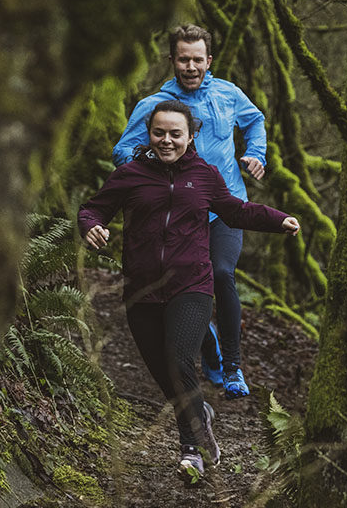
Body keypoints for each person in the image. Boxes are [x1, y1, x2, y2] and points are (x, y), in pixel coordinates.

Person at [79, 100, 300, 483]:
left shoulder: (204, 175)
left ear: (191, 136)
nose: (166, 141)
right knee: (165, 373)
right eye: (159, 133)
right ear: (149, 134)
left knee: (179, 358)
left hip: (192, 286)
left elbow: (235, 211)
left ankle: (190, 450)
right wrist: (91, 226)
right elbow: (93, 209)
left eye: (175, 134)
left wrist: (278, 219)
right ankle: (200, 413)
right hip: (141, 289)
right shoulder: (130, 175)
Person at [112, 24, 266, 399]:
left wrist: (256, 154)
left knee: (222, 273)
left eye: (198, 59)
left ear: (209, 60)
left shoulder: (228, 94)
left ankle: (232, 367)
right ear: (173, 60)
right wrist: (153, 160)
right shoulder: (155, 106)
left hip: (224, 206)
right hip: (178, 213)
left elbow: (255, 120)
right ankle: (209, 347)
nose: (191, 66)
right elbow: (122, 152)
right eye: (184, 59)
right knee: (183, 289)